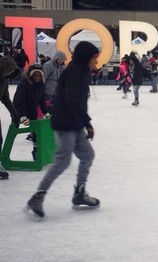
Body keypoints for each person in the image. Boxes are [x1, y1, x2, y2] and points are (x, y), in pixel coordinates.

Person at [24, 41, 101, 220]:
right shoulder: (74, 73)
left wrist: (83, 122)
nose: (96, 63)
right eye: (94, 59)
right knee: (62, 162)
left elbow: (78, 101)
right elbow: (72, 99)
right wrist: (87, 122)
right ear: (85, 58)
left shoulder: (80, 71)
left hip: (74, 123)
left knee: (87, 155)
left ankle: (79, 193)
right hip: (66, 123)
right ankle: (37, 197)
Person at [13, 63, 49, 161]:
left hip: (32, 112)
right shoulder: (23, 85)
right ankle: (6, 153)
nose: (37, 77)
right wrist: (22, 116)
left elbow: (42, 101)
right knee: (14, 131)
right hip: (18, 112)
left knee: (36, 133)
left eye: (39, 75)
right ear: (30, 75)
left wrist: (46, 113)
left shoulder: (41, 85)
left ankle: (36, 152)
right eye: (35, 75)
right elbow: (19, 101)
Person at [0, 56, 21, 180]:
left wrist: (14, 114)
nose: (10, 73)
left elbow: (5, 98)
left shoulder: (4, 80)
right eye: (9, 71)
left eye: (12, 72)